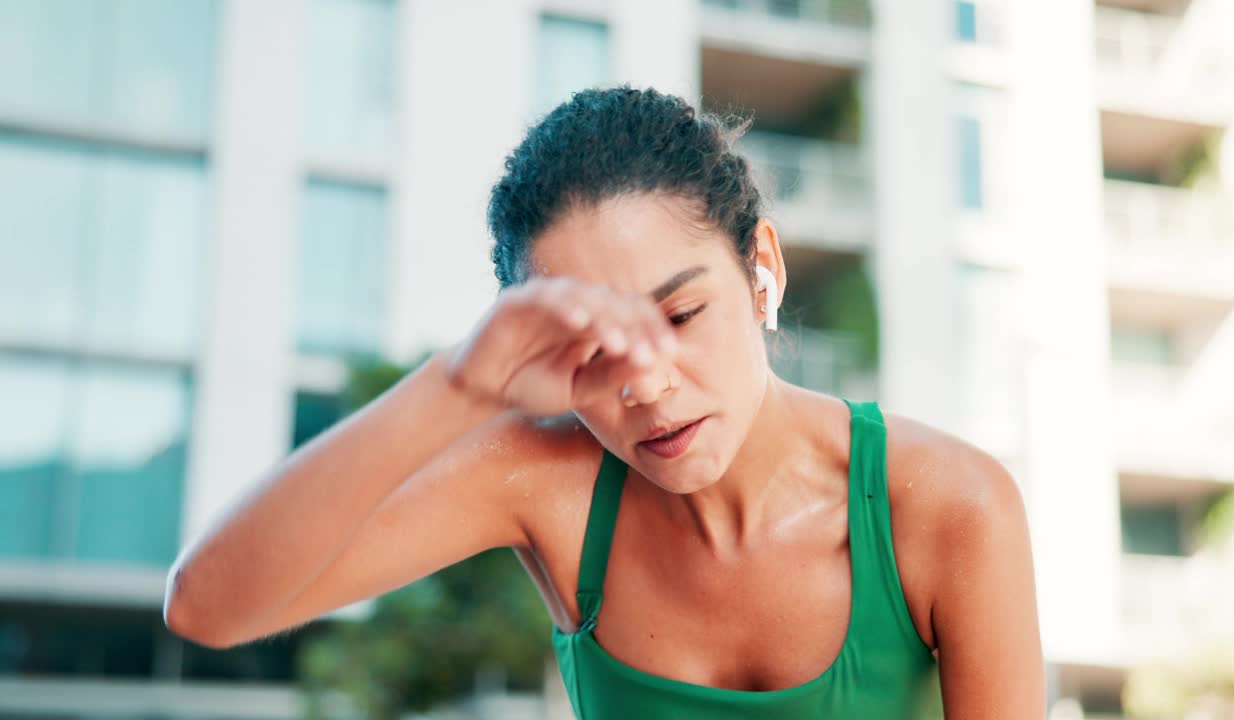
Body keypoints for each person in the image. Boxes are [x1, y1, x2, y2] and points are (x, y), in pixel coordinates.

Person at [164, 86, 1044, 718]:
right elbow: (209, 605)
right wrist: (458, 386)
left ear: (762, 271)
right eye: (591, 351)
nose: (646, 385)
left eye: (682, 314)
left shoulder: (946, 507)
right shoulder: (545, 480)